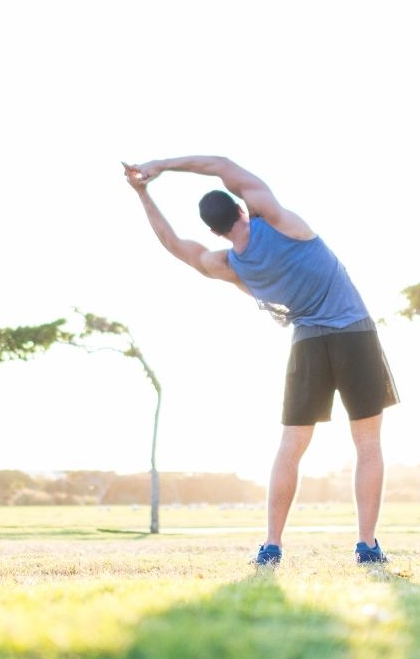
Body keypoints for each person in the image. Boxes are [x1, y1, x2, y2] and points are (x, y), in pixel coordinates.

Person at [121, 157, 398, 565]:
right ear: (239, 208)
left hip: (308, 344)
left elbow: (173, 244)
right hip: (354, 332)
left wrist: (142, 193)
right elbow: (220, 166)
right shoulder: (275, 218)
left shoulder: (228, 266)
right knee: (368, 443)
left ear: (213, 229)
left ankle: (272, 545)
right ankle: (367, 546)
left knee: (291, 446)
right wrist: (161, 165)